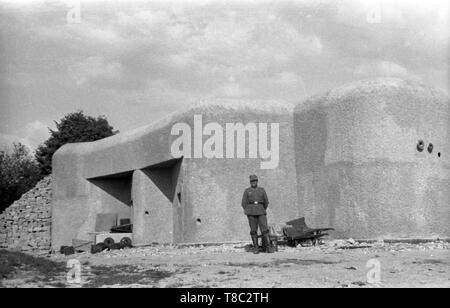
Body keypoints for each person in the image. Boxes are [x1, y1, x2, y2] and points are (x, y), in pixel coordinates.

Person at [241, 174, 274, 254]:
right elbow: (243, 203)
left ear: (257, 181)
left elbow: (266, 202)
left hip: (261, 211)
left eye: (255, 181)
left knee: (264, 230)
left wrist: (262, 208)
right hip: (251, 212)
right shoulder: (247, 191)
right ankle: (256, 248)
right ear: (250, 182)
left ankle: (268, 247)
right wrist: (249, 210)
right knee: (253, 230)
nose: (254, 182)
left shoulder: (262, 190)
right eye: (252, 181)